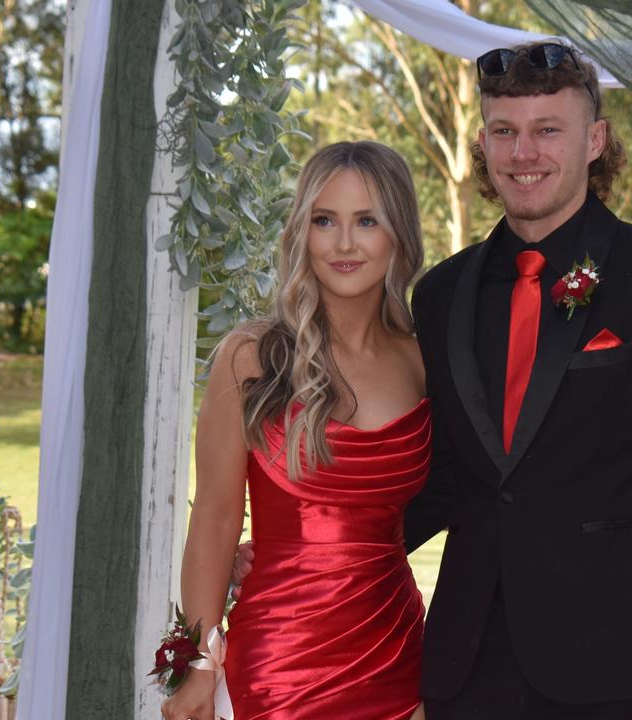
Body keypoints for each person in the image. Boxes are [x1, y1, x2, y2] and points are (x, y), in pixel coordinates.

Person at [402, 42, 632, 719]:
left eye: (546, 130)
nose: (522, 152)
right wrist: (315, 544)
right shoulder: (440, 294)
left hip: (616, 671)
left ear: (594, 140)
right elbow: (443, 479)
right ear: (482, 142)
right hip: (463, 671)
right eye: (505, 131)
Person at [162, 141, 429, 720]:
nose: (344, 243)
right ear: (301, 232)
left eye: (367, 221)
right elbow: (212, 520)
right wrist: (198, 666)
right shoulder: (250, 357)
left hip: (398, 660)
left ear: (399, 233)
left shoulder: (424, 361)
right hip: (279, 666)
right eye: (324, 220)